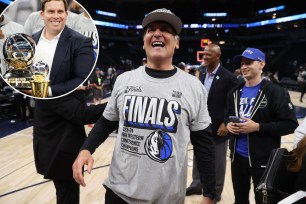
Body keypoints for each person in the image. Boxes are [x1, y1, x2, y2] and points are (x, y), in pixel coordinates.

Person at [72, 8, 216, 204]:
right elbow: (107, 122)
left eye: (165, 29)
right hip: (119, 193)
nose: (157, 33)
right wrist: (86, 149)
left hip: (167, 198)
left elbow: (204, 144)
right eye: (151, 29)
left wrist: (210, 193)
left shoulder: (193, 87)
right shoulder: (124, 80)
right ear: (144, 40)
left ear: (177, 42)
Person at [225, 47, 299, 204]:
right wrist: (228, 125)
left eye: (248, 62)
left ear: (261, 64)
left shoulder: (275, 92)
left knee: (263, 199)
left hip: (264, 157)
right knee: (239, 198)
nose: (243, 66)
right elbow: (227, 115)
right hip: (237, 156)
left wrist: (258, 127)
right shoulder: (234, 92)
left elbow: (290, 124)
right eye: (242, 63)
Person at [33, 88, 106, 204]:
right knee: (68, 196)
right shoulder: (55, 92)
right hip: (58, 154)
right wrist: (115, 104)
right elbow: (82, 114)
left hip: (59, 149)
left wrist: (79, 89)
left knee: (67, 194)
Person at [186, 44, 239, 203]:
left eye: (208, 54)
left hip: (218, 126)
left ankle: (216, 191)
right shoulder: (201, 73)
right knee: (197, 155)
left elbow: (234, 103)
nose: (205, 57)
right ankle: (197, 184)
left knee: (218, 161)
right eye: (204, 54)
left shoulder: (229, 77)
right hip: (200, 124)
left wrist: (226, 121)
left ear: (218, 56)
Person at [30, 0, 95, 97]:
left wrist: (47, 91)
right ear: (42, 15)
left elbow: (82, 78)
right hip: (38, 107)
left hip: (68, 108)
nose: (56, 16)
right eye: (51, 11)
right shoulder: (32, 40)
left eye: (60, 11)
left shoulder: (81, 42)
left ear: (66, 14)